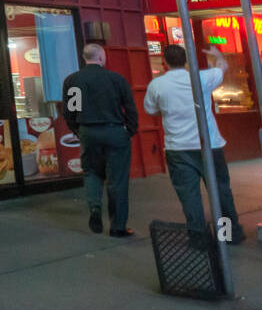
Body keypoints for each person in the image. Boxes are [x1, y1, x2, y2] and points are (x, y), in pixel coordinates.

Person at [143, 45, 244, 243]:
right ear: (185, 62)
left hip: (177, 148)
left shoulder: (157, 85)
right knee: (221, 191)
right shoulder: (201, 78)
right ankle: (229, 235)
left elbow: (151, 110)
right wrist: (217, 55)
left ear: (165, 63)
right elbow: (223, 67)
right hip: (209, 144)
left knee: (189, 196)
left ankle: (198, 237)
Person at [61, 43, 138, 237]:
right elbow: (130, 108)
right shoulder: (116, 79)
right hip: (115, 131)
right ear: (101, 58)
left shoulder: (73, 81)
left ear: (84, 58)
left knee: (91, 173)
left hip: (88, 131)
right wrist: (129, 130)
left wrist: (78, 130)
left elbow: (71, 110)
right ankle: (118, 226)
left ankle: (95, 209)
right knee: (117, 180)